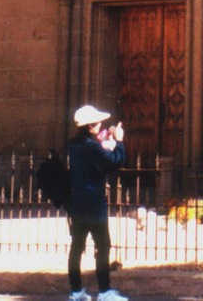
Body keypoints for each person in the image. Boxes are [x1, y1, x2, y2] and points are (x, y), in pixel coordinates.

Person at [67, 104, 127, 301]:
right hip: (94, 204)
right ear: (90, 126)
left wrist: (103, 142)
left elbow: (91, 162)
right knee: (103, 246)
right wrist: (118, 141)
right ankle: (104, 292)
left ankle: (76, 292)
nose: (101, 125)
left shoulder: (74, 145)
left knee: (77, 248)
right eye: (97, 123)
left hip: (76, 204)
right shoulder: (92, 147)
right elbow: (115, 160)